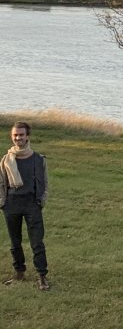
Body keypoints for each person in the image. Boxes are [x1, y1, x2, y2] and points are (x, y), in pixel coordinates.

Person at [1, 122, 50, 291]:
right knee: (15, 242)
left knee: (37, 242)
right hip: (11, 205)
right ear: (12, 136)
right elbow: (2, 183)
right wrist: (3, 203)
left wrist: (41, 200)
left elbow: (45, 183)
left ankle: (42, 276)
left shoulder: (38, 159)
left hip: (32, 204)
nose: (18, 138)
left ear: (27, 136)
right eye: (15, 135)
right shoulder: (6, 160)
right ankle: (19, 273)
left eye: (21, 135)